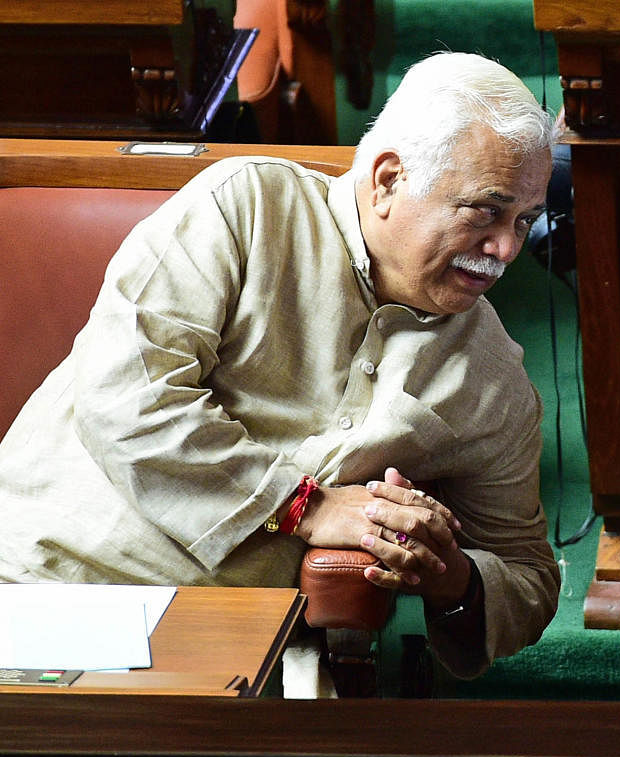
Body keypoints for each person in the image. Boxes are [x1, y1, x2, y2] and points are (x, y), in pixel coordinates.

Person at [0, 52, 560, 680]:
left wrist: (448, 572)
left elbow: (529, 580)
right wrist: (305, 506)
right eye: (485, 212)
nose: (507, 249)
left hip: (241, 645)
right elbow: (125, 397)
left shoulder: (492, 377)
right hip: (34, 584)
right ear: (388, 180)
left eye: (525, 221)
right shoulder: (245, 206)